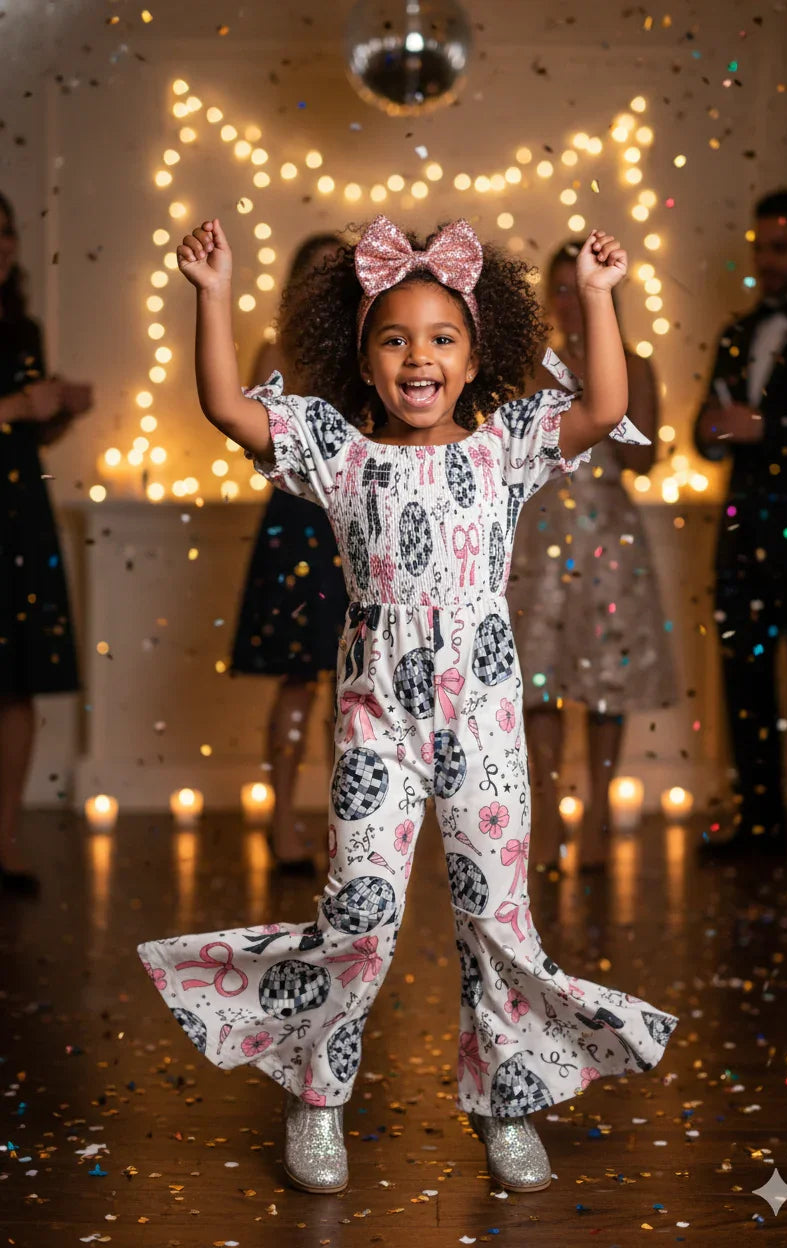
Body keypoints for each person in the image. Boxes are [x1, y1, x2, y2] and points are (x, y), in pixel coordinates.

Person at [138, 213, 677, 1196]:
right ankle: (317, 1097)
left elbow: (604, 404)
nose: (418, 357)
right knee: (360, 919)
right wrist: (211, 295)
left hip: (484, 727)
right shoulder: (337, 452)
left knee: (498, 924)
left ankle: (506, 1103)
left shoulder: (508, 447)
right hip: (374, 726)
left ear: (473, 360)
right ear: (363, 360)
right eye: (394, 339)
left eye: (440, 339)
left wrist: (600, 298)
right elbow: (225, 406)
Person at [510, 242, 675, 870]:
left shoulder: (634, 364)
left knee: (609, 676)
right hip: (540, 531)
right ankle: (550, 815)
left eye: (575, 288)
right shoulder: (530, 368)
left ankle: (601, 814)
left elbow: (644, 458)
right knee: (539, 678)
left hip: (607, 533)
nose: (567, 302)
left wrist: (603, 390)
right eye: (557, 289)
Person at [694, 189, 787, 865]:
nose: (767, 261)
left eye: (780, 248)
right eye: (760, 248)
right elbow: (705, 433)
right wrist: (713, 430)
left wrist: (769, 427)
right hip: (743, 537)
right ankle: (760, 822)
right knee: (743, 683)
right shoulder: (738, 333)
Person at [231, 234, 348, 871]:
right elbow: (258, 442)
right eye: (316, 273)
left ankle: (349, 831)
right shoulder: (277, 353)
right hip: (297, 522)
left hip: (356, 518)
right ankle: (281, 822)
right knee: (299, 678)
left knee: (356, 686)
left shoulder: (369, 347)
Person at [0, 191, 92, 895]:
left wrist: (56, 410)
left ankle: (5, 840)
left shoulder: (21, 326)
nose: (3, 245)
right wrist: (13, 405)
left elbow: (28, 431)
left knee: (17, 682)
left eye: (7, 233)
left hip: (18, 508)